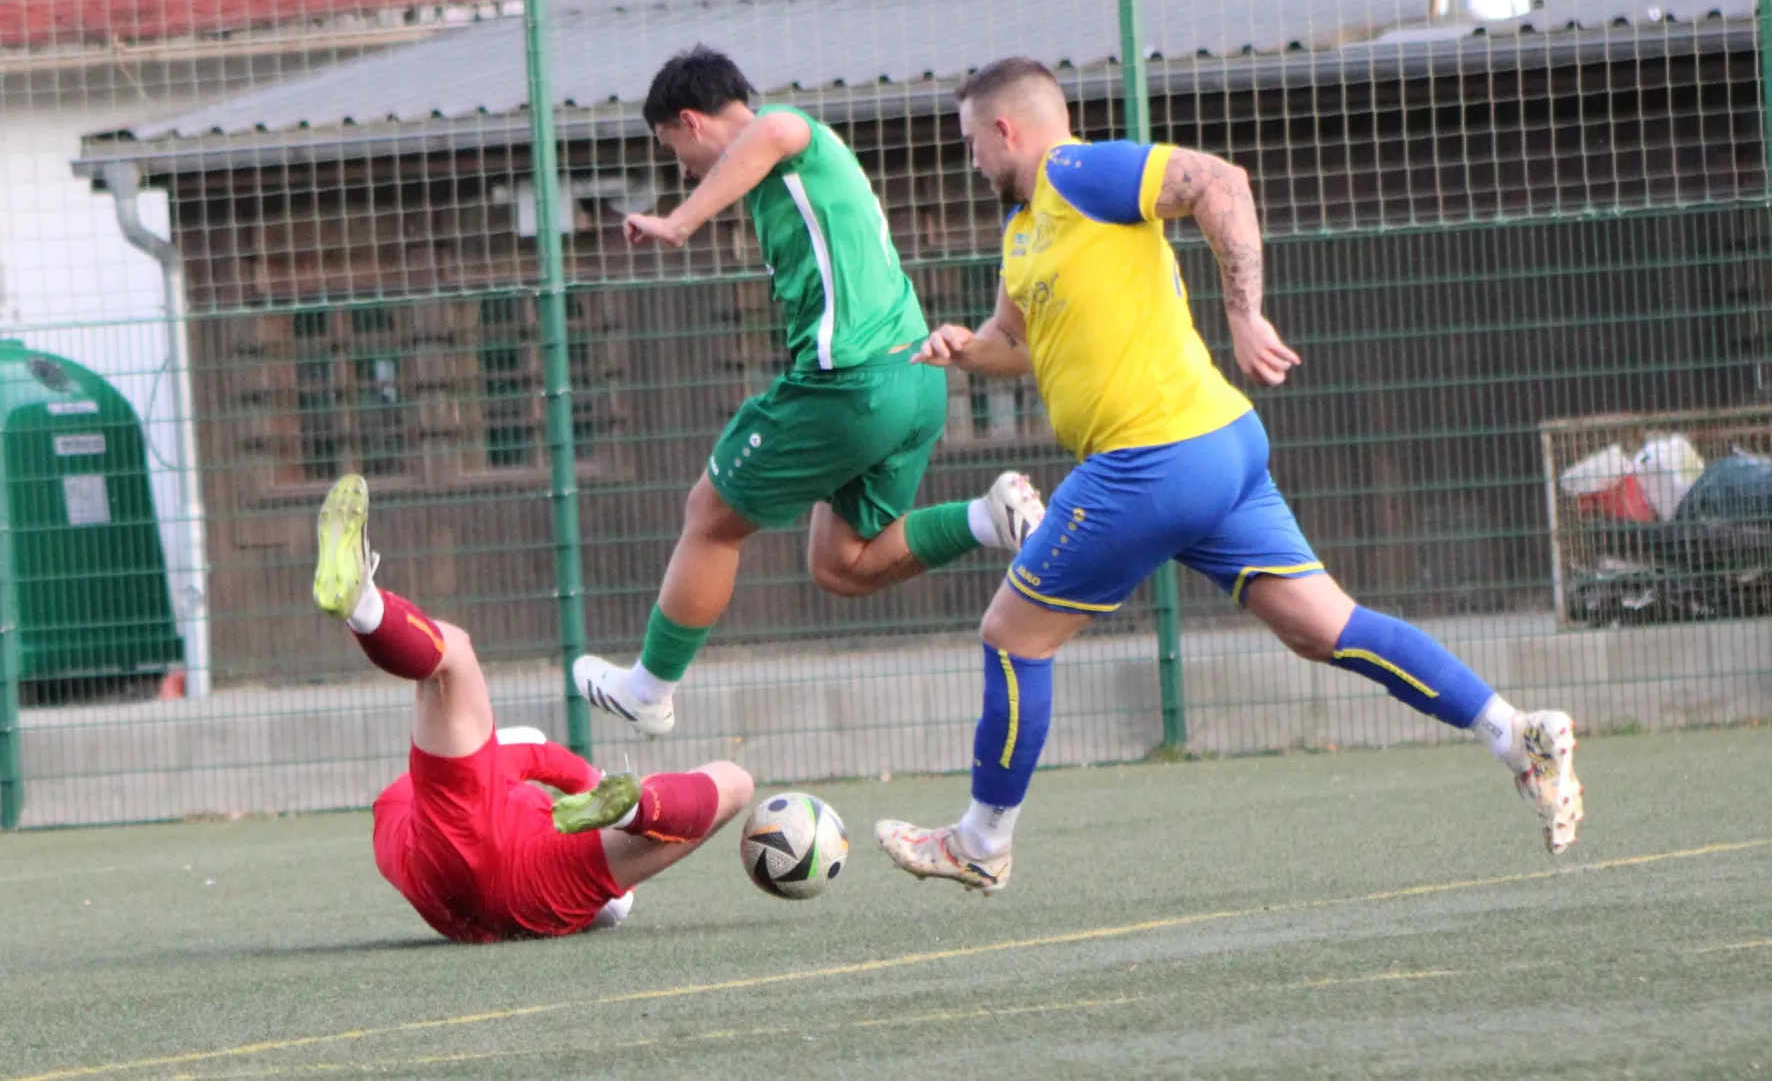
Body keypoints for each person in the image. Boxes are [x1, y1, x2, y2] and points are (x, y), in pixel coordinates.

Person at [875, 58, 1584, 895]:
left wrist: (1245, 315)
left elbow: (1220, 182)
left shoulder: (1076, 171)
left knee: (1011, 636)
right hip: (1214, 448)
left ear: (1006, 130)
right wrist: (965, 348)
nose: (969, 162)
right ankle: (1518, 737)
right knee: (1325, 627)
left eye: (970, 143)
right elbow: (1016, 341)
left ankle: (981, 842)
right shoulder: (1026, 226)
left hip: (1149, 460)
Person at [578, 46, 1044, 738]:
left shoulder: (786, 134)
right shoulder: (780, 183)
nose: (681, 168)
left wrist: (677, 222)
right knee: (842, 564)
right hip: (915, 383)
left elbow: (772, 129)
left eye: (672, 147)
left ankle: (648, 691)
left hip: (851, 384)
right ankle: (989, 518)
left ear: (691, 121)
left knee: (709, 514)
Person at [311, 473, 753, 942]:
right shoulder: (422, 807)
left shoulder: (424, 803)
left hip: (451, 850)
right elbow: (531, 757)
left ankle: (365, 606)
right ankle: (635, 811)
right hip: (512, 889)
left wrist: (585, 779)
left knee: (453, 657)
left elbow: (531, 750)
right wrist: (590, 788)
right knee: (733, 787)